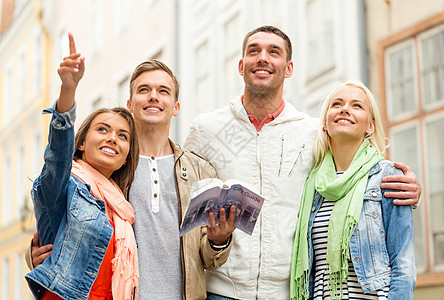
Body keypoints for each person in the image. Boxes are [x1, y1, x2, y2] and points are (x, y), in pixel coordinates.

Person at [184, 25, 421, 299]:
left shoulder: (312, 132)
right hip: (221, 291)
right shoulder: (207, 129)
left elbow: (354, 170)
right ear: (241, 65)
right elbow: (183, 205)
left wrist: (411, 191)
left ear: (288, 68)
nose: (263, 58)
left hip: (286, 292)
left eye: (274, 52)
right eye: (254, 51)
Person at [27, 59, 236, 299]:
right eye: (144, 90)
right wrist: (37, 252)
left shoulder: (199, 171)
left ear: (176, 106)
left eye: (163, 91)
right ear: (130, 104)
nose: (153, 97)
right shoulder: (110, 167)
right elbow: (60, 207)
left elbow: (209, 259)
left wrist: (219, 240)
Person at [25, 33, 140, 300]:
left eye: (123, 136)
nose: (113, 137)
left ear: (125, 158)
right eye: (103, 129)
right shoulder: (63, 186)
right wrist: (68, 89)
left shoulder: (122, 207)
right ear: (81, 144)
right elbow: (57, 155)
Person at [290, 80, 416, 299]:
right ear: (325, 124)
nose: (345, 109)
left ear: (370, 126)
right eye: (337, 104)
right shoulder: (312, 184)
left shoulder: (387, 176)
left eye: (357, 105)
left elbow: (403, 264)